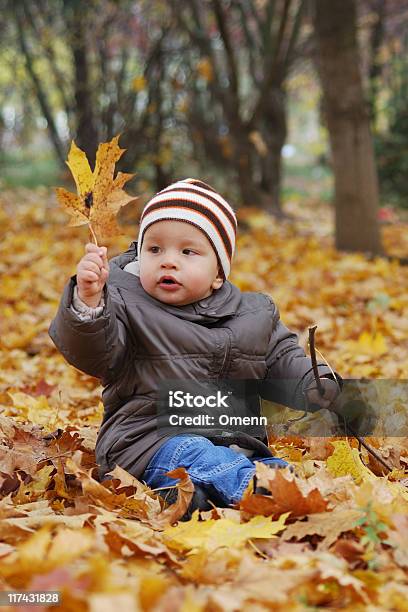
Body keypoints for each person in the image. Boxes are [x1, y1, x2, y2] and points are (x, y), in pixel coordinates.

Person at [49, 178, 343, 518]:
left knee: (255, 465)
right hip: (148, 443)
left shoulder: (255, 315)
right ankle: (260, 491)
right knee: (196, 452)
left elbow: (283, 359)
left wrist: (316, 382)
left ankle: (199, 498)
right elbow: (93, 351)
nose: (168, 261)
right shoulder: (123, 304)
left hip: (236, 444)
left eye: (187, 252)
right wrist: (88, 302)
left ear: (218, 272)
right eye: (155, 249)